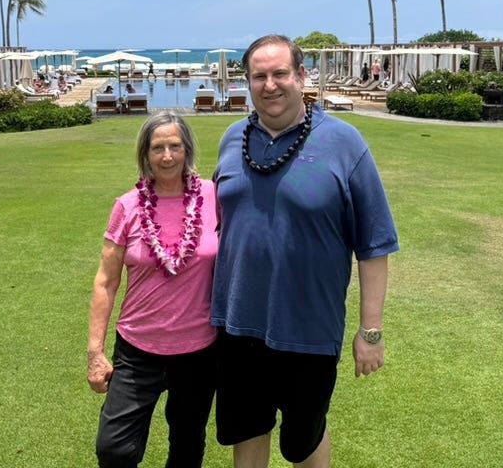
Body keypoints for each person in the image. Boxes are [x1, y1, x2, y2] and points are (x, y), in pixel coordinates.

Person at [211, 34, 399, 467]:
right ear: (248, 81)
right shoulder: (231, 139)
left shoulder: (344, 143)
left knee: (304, 440)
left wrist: (371, 331)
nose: (270, 84)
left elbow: (374, 244)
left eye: (280, 73)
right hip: (237, 322)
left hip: (309, 327)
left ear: (301, 76)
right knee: (246, 430)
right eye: (259, 76)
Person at [88, 113, 219, 468]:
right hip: (137, 348)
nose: (166, 156)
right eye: (157, 147)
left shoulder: (213, 196)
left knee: (188, 443)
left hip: (198, 349)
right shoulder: (127, 206)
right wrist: (95, 352)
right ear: (145, 154)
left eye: (175, 146)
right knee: (114, 449)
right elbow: (106, 280)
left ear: (187, 150)